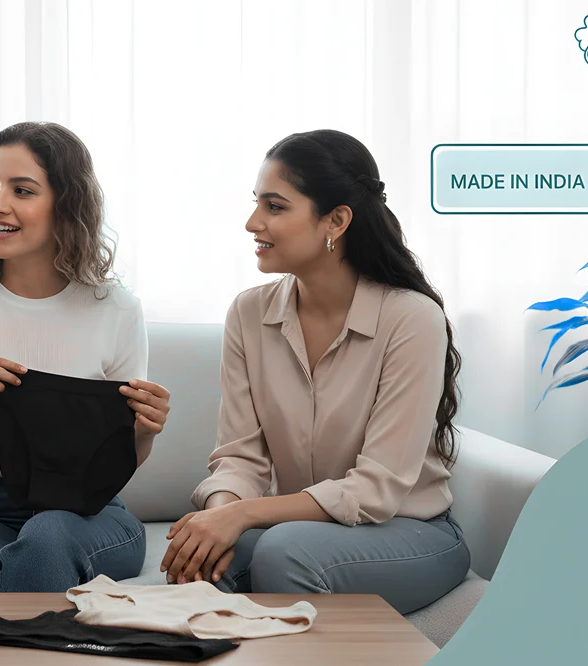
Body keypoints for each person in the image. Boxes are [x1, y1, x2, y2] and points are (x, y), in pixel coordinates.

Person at [164, 129, 470, 615]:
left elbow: (376, 490)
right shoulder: (248, 314)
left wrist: (245, 515)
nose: (252, 222)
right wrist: (219, 521)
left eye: (275, 206)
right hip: (296, 532)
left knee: (283, 552)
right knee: (198, 557)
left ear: (337, 221)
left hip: (410, 533)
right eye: (256, 203)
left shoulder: (411, 319)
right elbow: (239, 458)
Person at [0, 121, 172, 593]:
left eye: (22, 190)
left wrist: (144, 432)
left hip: (86, 514)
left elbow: (120, 460)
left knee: (46, 540)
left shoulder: (117, 309)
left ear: (66, 206)